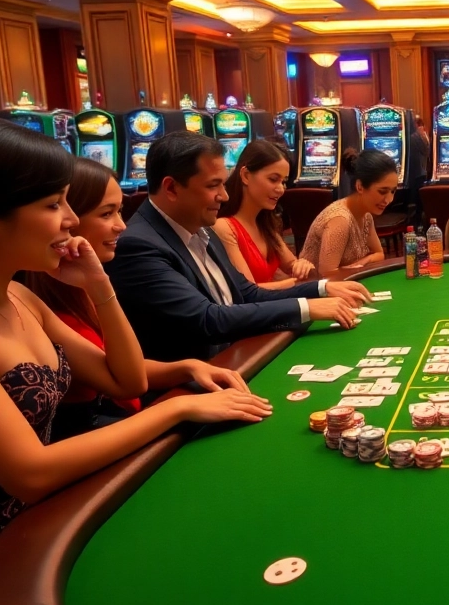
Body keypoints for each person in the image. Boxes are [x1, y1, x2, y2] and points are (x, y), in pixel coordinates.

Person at [0, 120, 271, 605]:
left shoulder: (20, 298)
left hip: (32, 527)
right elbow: (31, 473)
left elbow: (127, 380)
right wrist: (178, 407)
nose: (72, 220)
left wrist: (99, 286)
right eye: (53, 205)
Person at [24, 157, 254, 441]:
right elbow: (126, 383)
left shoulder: (79, 287)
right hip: (98, 441)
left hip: (124, 422)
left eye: (119, 211)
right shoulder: (41, 303)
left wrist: (186, 367)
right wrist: (177, 407)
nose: (122, 226)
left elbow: (123, 372)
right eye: (107, 213)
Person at [105, 132, 368, 363]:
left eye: (223, 182)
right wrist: (307, 308)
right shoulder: (139, 246)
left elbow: (246, 294)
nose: (225, 195)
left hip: (238, 358)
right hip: (192, 387)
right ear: (172, 187)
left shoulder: (202, 229)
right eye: (213, 185)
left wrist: (321, 288)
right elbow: (208, 319)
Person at [213, 140, 317, 289]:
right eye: (273, 179)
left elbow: (292, 265)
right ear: (246, 175)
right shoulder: (224, 227)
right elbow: (248, 292)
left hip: (273, 307)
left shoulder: (264, 222)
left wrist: (302, 265)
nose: (281, 189)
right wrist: (301, 282)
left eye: (284, 181)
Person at [301, 148, 397, 277]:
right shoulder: (340, 220)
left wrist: (361, 263)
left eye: (393, 191)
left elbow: (379, 254)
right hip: (315, 292)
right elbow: (327, 276)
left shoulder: (366, 216)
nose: (389, 199)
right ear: (360, 187)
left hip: (346, 284)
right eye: (382, 191)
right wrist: (356, 269)